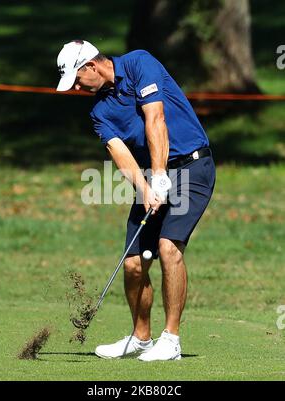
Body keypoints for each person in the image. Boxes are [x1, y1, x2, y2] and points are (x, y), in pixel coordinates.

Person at [56, 40, 216, 361]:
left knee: (169, 248)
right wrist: (146, 189)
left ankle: (171, 340)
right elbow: (120, 154)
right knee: (133, 264)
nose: (75, 86)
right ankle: (141, 337)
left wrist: (159, 175)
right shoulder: (99, 111)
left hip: (192, 166)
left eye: (77, 78)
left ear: (91, 65)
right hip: (154, 178)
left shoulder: (139, 63)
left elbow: (155, 119)